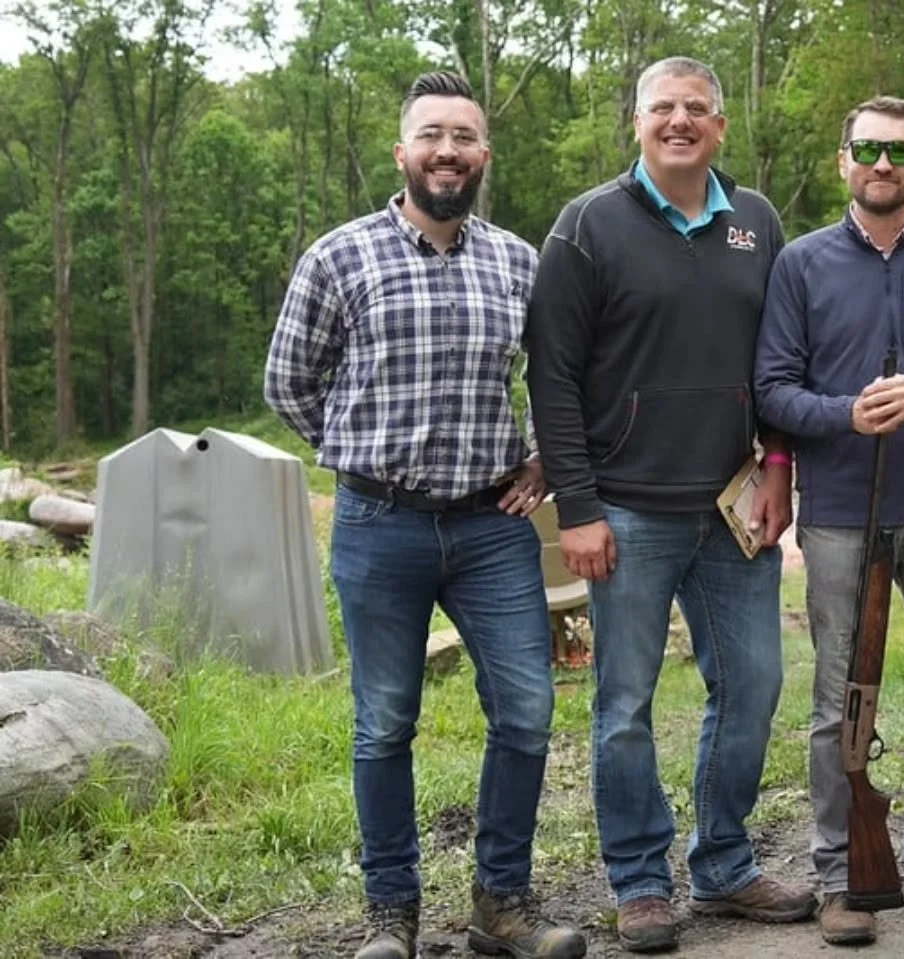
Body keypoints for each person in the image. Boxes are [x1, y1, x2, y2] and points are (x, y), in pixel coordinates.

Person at [264, 71, 586, 959]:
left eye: (464, 137)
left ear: (484, 154)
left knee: (526, 709)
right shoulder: (339, 257)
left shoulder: (520, 262)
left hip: (492, 527)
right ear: (402, 151)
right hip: (380, 526)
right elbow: (288, 382)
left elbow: (558, 378)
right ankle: (390, 912)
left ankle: (501, 903)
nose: (448, 150)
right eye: (432, 135)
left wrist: (545, 459)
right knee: (384, 721)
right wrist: (358, 452)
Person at [524, 55, 817, 954]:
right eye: (664, 108)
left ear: (720, 126)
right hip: (627, 511)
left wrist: (779, 464)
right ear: (639, 123)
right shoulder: (587, 226)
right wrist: (578, 506)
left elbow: (780, 359)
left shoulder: (757, 222)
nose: (680, 120)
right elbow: (552, 375)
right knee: (624, 704)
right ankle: (641, 880)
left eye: (697, 108)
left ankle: (724, 862)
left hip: (734, 507)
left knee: (755, 686)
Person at [753, 95, 904, 947]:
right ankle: (841, 876)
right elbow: (772, 389)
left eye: (898, 151)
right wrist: (845, 415)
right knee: (839, 705)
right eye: (866, 150)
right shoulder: (800, 263)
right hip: (838, 516)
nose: (882, 164)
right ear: (844, 161)